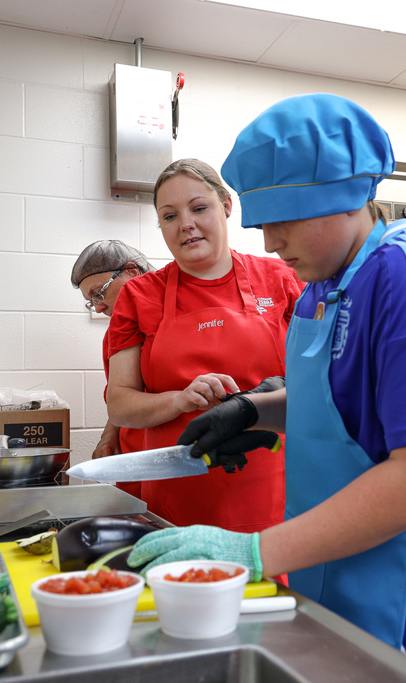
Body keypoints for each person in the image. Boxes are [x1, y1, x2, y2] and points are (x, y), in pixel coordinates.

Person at [127, 94, 406, 682]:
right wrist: (251, 412)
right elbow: (340, 406)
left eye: (282, 221)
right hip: (343, 563)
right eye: (262, 223)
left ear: (342, 194)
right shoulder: (323, 287)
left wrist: (255, 551)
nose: (270, 242)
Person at [105, 158, 303, 533]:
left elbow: (324, 383)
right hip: (177, 496)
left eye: (199, 208)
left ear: (226, 206)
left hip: (274, 489)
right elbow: (120, 404)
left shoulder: (282, 280)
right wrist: (180, 400)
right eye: (170, 216)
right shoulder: (139, 295)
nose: (186, 224)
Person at [71, 240, 156, 499]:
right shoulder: (114, 336)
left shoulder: (173, 320)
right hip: (133, 459)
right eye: (91, 301)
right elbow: (122, 396)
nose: (98, 306)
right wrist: (109, 436)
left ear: (131, 272)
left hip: (168, 454)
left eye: (99, 293)